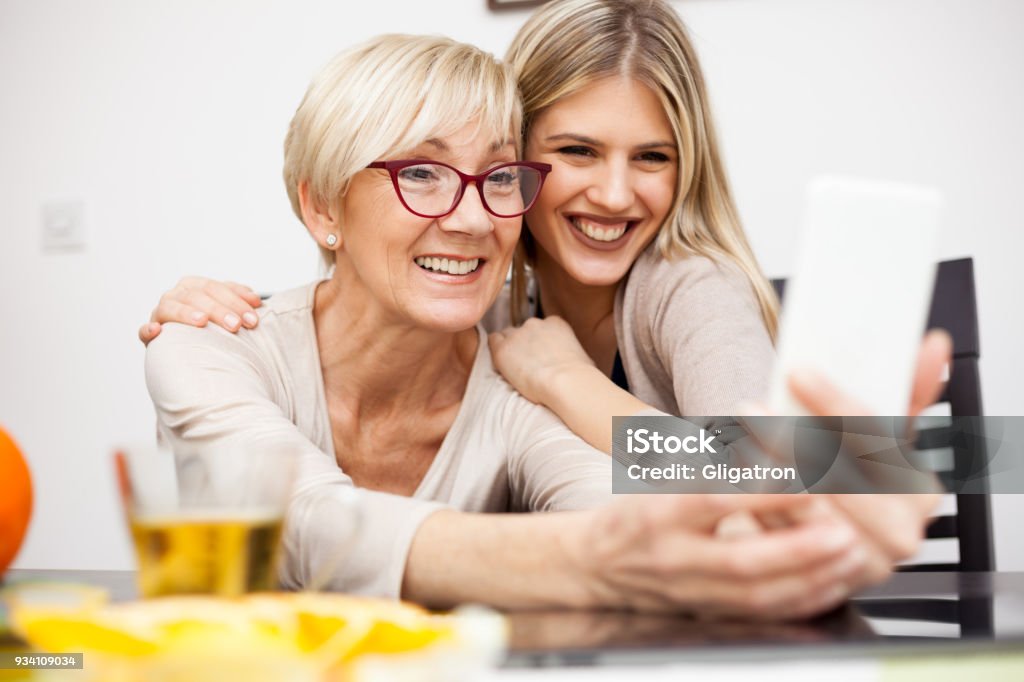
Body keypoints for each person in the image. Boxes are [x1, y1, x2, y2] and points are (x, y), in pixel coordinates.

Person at [142, 3, 946, 610]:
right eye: (574, 153)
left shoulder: (678, 289)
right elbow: (298, 508)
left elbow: (755, 478)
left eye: (652, 158)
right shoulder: (485, 318)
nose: (615, 191)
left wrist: (835, 500)